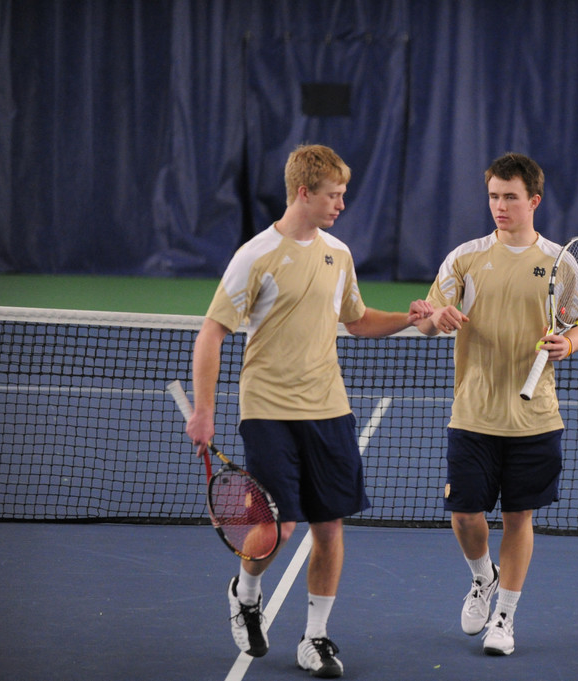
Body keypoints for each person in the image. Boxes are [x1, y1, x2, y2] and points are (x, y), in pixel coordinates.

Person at [183, 144, 433, 678]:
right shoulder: (255, 255)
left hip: (329, 409)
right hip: (268, 409)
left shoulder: (338, 254)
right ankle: (245, 590)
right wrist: (204, 410)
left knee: (330, 527)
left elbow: (358, 320)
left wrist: (411, 319)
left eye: (343, 194)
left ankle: (315, 639)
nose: (341, 204)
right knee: (280, 525)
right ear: (304, 192)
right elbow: (212, 332)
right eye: (333, 195)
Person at [416, 152, 578, 656]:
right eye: (493, 196)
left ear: (533, 200)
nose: (500, 206)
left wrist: (569, 344)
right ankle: (481, 577)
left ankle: (506, 619)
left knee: (519, 518)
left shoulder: (562, 263)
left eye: (510, 197)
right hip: (473, 412)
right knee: (465, 515)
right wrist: (435, 317)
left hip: (535, 416)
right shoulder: (464, 258)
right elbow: (427, 320)